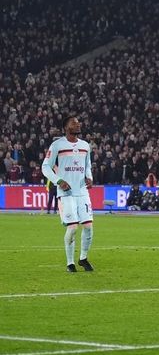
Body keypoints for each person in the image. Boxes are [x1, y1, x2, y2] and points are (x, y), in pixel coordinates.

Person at [41, 115, 95, 273]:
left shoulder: (85, 145)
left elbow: (88, 166)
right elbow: (45, 167)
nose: (78, 125)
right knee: (72, 228)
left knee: (89, 227)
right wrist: (58, 181)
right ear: (66, 127)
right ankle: (70, 262)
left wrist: (90, 178)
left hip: (82, 191)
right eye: (74, 123)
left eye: (79, 123)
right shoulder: (57, 145)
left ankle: (83, 258)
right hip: (66, 193)